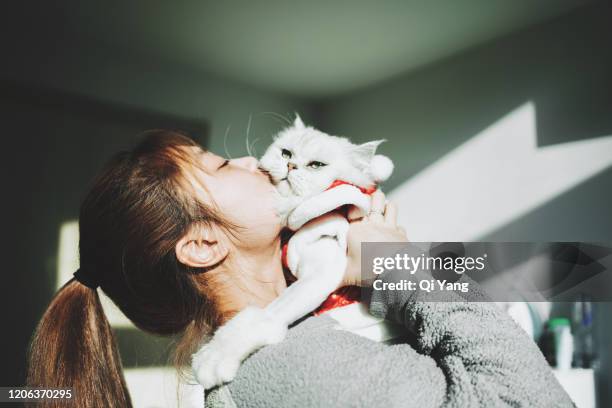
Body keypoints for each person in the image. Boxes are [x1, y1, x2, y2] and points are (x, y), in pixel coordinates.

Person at [27, 130, 573, 407]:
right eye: (219, 164)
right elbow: (528, 398)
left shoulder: (310, 325)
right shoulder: (283, 364)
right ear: (202, 244)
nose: (249, 161)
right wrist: (398, 266)